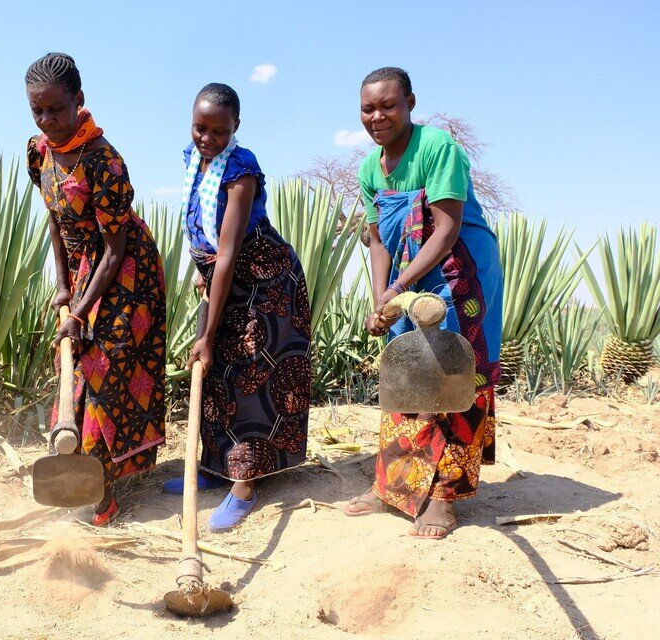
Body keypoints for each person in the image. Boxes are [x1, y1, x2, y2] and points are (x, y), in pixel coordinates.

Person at [343, 67, 503, 539]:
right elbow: (377, 241)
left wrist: (396, 289)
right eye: (368, 108)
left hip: (459, 272)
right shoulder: (370, 167)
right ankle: (394, 484)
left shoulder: (437, 148)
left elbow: (446, 227)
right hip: (407, 279)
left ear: (410, 102)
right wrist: (381, 298)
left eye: (388, 105)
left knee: (454, 374)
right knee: (405, 370)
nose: (378, 116)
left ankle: (443, 497)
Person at [25, 53, 167, 526]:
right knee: (80, 370)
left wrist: (80, 312)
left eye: (56, 110)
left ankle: (102, 493)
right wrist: (64, 286)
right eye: (37, 111)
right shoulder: (38, 151)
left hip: (127, 274)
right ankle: (87, 481)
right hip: (86, 272)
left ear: (79, 101)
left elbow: (115, 247)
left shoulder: (104, 161)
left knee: (102, 368)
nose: (47, 121)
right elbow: (55, 219)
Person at [163, 83, 312, 532]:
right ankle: (214, 468)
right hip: (224, 280)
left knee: (250, 373)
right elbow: (204, 235)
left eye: (218, 131)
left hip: (265, 285)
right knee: (215, 372)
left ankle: (244, 485)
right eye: (199, 128)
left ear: (236, 128)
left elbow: (228, 251)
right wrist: (201, 275)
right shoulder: (194, 159)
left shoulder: (242, 170)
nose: (207, 138)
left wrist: (206, 332)